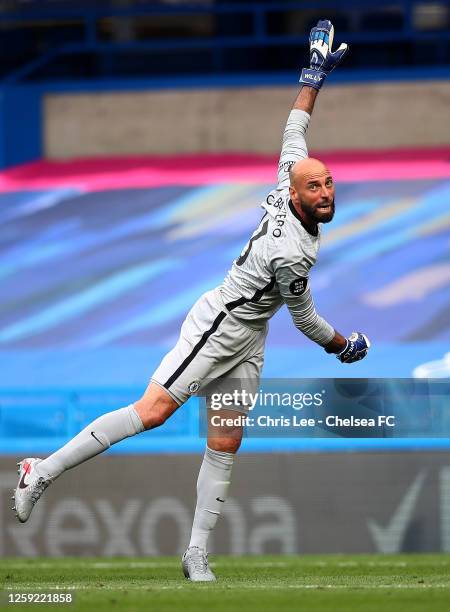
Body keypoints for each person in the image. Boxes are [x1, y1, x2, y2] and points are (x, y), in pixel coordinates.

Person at [12, 20, 370, 581]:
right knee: (151, 413)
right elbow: (304, 317)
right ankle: (42, 471)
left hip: (251, 335)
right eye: (316, 187)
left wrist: (312, 79)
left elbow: (295, 128)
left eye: (328, 183)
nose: (325, 193)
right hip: (222, 323)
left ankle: (196, 554)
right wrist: (345, 346)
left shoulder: (286, 178)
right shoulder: (292, 252)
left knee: (225, 441)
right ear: (296, 194)